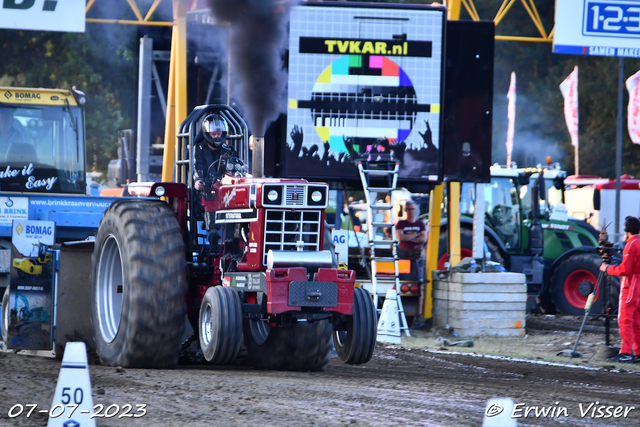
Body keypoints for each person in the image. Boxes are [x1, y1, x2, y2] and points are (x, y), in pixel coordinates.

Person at [600, 216, 640, 363]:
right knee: (636, 320)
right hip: (638, 285)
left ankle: (625, 353)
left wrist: (608, 268)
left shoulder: (631, 244)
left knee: (625, 319)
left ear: (626, 230)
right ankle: (637, 352)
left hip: (631, 285)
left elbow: (626, 269)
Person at [193, 113, 238, 191]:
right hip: (206, 190)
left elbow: (237, 167)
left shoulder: (229, 150)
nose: (217, 137)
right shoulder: (199, 149)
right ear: (207, 134)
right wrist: (198, 181)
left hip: (227, 190)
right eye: (214, 134)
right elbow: (196, 167)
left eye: (219, 134)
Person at [396, 200, 427, 280]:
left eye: (412, 209)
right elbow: (401, 237)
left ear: (415, 210)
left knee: (419, 277)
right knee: (403, 277)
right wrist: (416, 235)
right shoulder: (401, 224)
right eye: (409, 209)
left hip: (417, 255)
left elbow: (423, 238)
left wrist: (407, 237)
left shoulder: (420, 224)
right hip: (403, 254)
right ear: (406, 210)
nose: (411, 211)